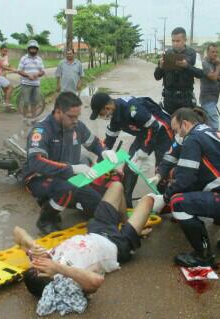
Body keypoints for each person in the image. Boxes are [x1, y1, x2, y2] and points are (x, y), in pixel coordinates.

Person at [14, 182, 164, 315]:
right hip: (118, 244)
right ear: (50, 277)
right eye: (39, 268)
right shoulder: (68, 281)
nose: (38, 262)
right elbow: (96, 281)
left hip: (96, 230)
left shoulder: (45, 259)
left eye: (34, 265)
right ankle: (135, 228)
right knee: (149, 199)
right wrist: (59, 268)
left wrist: (31, 244)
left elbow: (17, 232)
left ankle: (126, 223)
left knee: (117, 186)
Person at [22, 92, 119, 234]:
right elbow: (36, 162)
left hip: (67, 176)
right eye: (71, 116)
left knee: (98, 207)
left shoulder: (77, 126)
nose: (75, 121)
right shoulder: (42, 130)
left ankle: (61, 201)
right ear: (58, 112)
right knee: (67, 187)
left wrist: (103, 151)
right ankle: (46, 219)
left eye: (77, 116)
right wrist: (71, 168)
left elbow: (93, 142)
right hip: (39, 177)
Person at [89, 92, 173, 207]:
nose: (102, 116)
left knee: (162, 170)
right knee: (130, 168)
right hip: (144, 134)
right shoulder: (115, 118)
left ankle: (165, 202)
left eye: (100, 113)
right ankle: (126, 204)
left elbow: (154, 127)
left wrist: (144, 149)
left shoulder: (133, 109)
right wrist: (99, 162)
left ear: (107, 108)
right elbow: (109, 141)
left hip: (163, 133)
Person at [161, 107, 220, 267]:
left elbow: (185, 180)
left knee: (178, 202)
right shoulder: (210, 131)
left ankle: (203, 256)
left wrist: (165, 197)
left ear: (185, 124)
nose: (176, 135)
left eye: (176, 130)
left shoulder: (192, 139)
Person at [154, 27, 204, 114]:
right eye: (173, 41)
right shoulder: (166, 55)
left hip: (186, 99)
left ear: (185, 40)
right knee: (169, 124)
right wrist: (161, 67)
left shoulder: (194, 55)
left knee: (186, 125)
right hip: (169, 99)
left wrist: (187, 66)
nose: (175, 44)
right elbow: (157, 76)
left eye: (178, 41)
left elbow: (200, 74)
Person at [17, 40, 45, 118]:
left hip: (36, 85)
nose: (33, 50)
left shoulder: (39, 59)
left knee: (35, 102)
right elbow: (19, 70)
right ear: (28, 49)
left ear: (37, 49)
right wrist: (27, 75)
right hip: (26, 84)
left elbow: (43, 72)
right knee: (26, 102)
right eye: (31, 48)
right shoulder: (24, 58)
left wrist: (37, 74)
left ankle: (33, 118)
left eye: (34, 48)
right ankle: (25, 118)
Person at [199, 43, 220, 129]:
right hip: (207, 98)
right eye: (212, 52)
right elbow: (214, 77)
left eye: (216, 52)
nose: (215, 54)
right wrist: (219, 65)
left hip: (214, 98)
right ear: (207, 52)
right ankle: (216, 141)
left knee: (209, 123)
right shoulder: (204, 64)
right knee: (214, 122)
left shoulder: (215, 63)